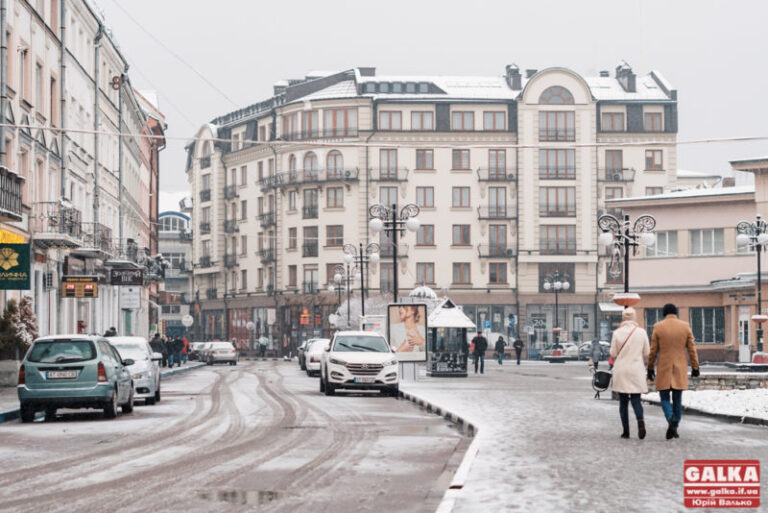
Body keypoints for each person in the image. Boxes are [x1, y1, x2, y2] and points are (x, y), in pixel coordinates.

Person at [647, 303, 700, 440]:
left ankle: (671, 419)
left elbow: (653, 351)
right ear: (676, 312)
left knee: (664, 398)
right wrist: (695, 367)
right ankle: (675, 424)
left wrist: (650, 368)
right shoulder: (685, 326)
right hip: (679, 368)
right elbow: (691, 349)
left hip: (664, 367)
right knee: (677, 399)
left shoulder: (658, 327)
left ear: (664, 313)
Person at [610, 307, 650, 440]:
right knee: (636, 400)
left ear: (623, 318)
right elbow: (646, 352)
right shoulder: (641, 332)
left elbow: (613, 353)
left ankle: (626, 431)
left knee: (623, 402)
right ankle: (640, 421)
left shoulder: (617, 333)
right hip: (636, 369)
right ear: (634, 317)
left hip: (621, 370)